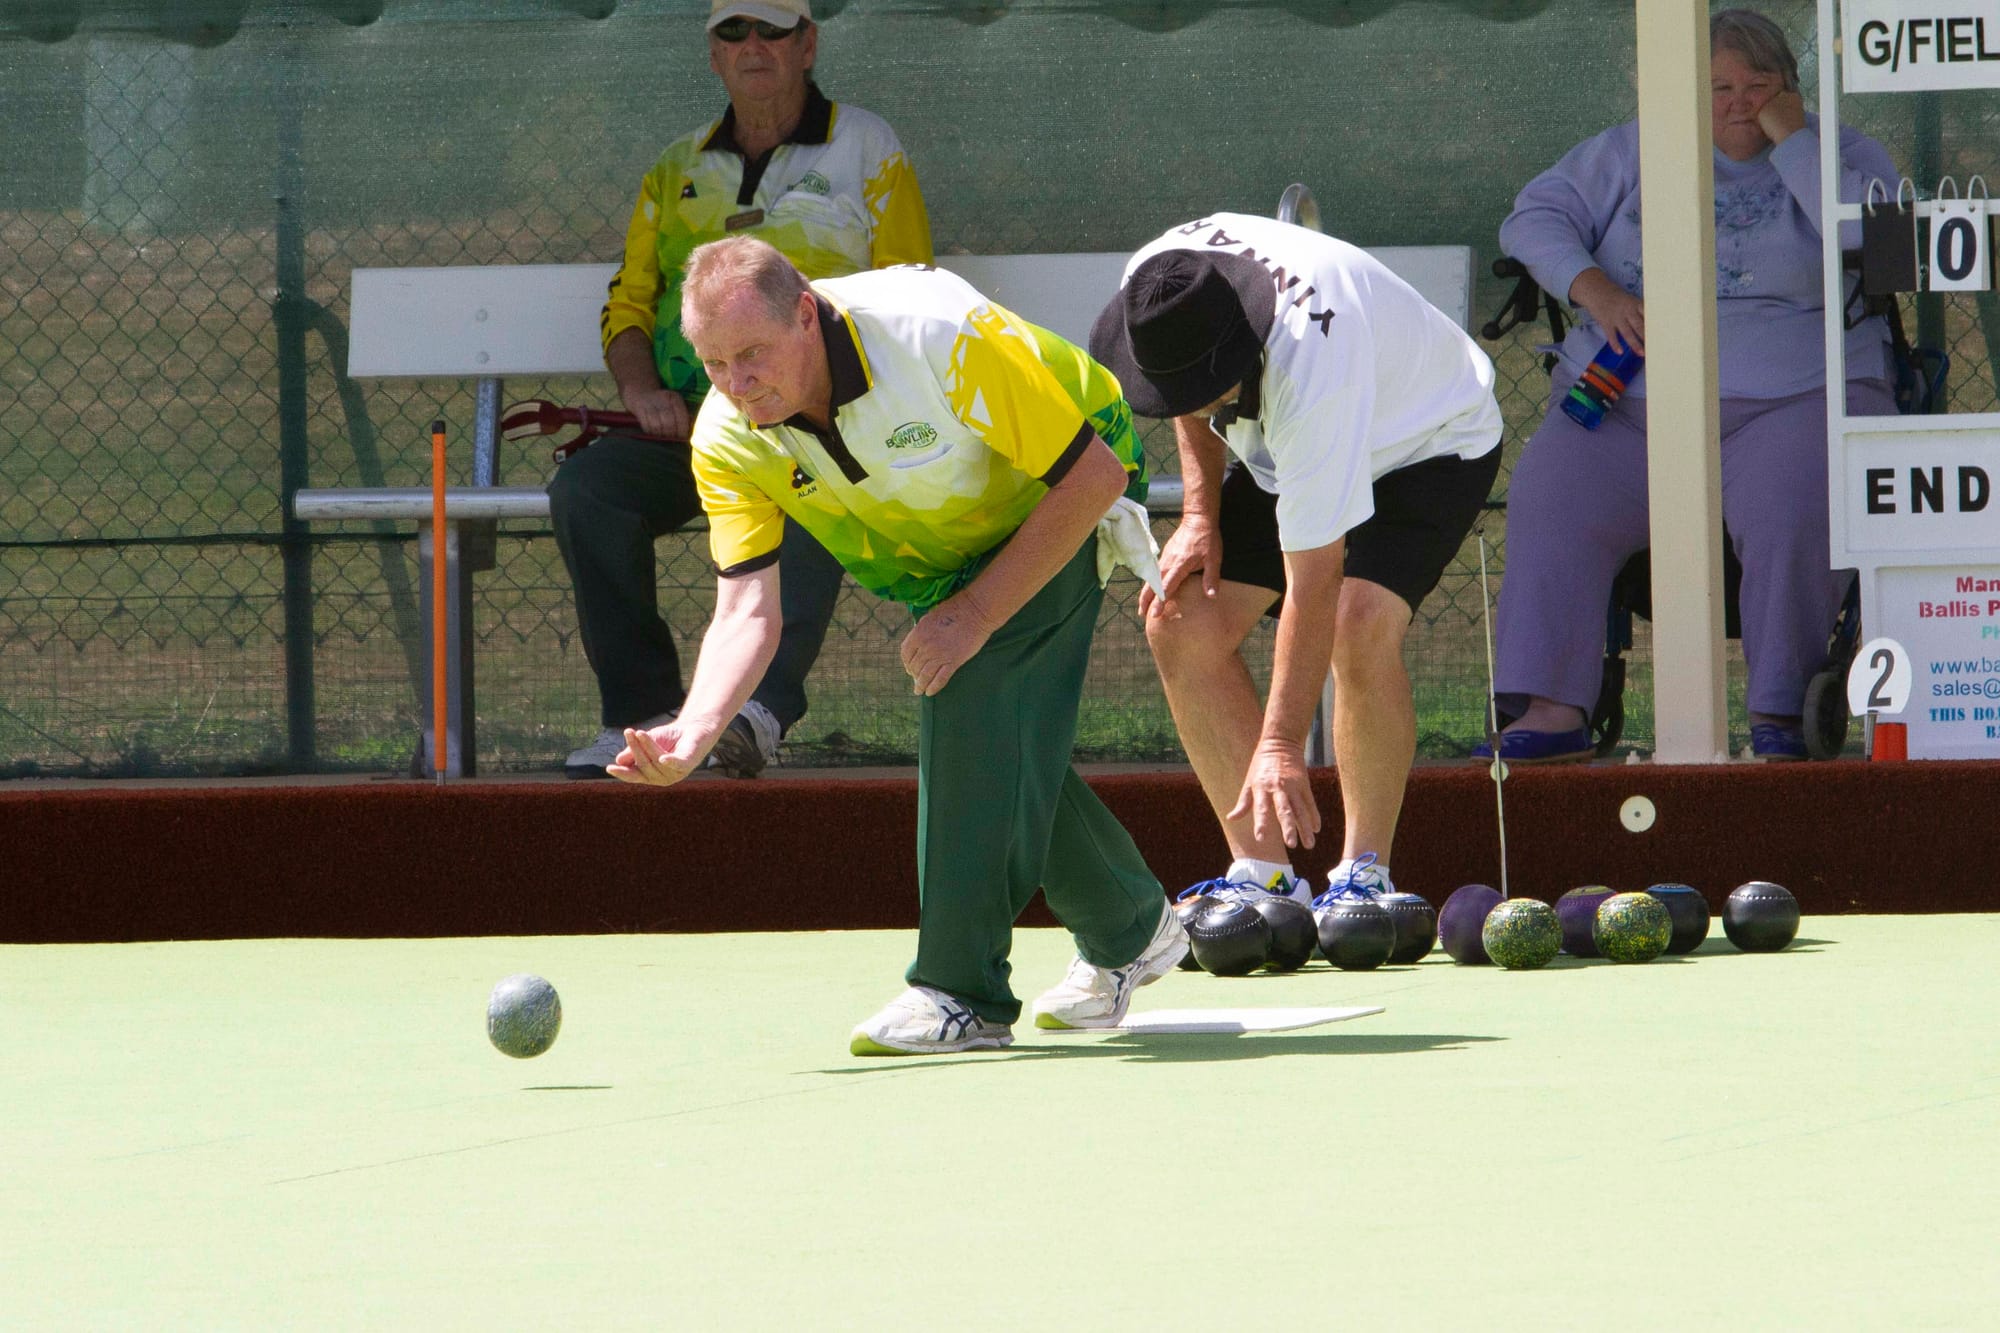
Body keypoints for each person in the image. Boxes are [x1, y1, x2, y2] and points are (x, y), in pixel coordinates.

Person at [610, 236, 1186, 1056]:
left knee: (967, 691)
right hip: (940, 545)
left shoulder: (938, 337)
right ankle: (1134, 927)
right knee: (1000, 731)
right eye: (713, 364)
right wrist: (696, 730)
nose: (738, 385)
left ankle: (962, 993)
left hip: (1068, 482)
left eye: (753, 355)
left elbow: (1092, 477)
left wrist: (978, 611)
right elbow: (745, 607)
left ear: (805, 313)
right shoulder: (729, 437)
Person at [1477, 8, 1899, 765]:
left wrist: (1792, 140)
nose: (1738, 101)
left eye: (1757, 85)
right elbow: (1532, 219)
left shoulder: (1842, 152)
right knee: (1551, 490)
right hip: (1632, 399)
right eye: (1717, 88)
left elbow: (1873, 240)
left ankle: (1779, 707)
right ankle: (1550, 706)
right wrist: (1596, 290)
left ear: (1791, 90)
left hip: (1796, 395)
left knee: (1797, 496)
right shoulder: (1633, 148)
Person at [553, 0, 933, 779]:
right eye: (733, 31)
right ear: (713, 55)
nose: (752, 44)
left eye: (772, 29)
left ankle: (756, 713)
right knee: (587, 490)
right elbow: (628, 302)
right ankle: (644, 717)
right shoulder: (674, 165)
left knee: (816, 479)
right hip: (692, 428)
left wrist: (827, 399)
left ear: (807, 45)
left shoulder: (868, 147)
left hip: (816, 420)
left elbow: (910, 292)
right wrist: (641, 392)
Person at [1090, 213, 1504, 907]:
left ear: (1240, 349)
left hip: (1427, 439)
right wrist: (1201, 515)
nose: (1186, 405)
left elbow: (1314, 582)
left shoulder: (1315, 369)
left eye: (1205, 385)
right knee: (1180, 619)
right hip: (1285, 442)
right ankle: (1265, 880)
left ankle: (1363, 876)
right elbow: (1186, 397)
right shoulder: (1162, 286)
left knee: (1356, 621)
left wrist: (1280, 744)